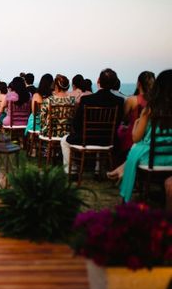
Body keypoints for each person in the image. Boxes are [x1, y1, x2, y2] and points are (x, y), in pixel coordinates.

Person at [108, 70, 172, 202]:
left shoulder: (149, 110)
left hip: (153, 160)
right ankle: (122, 168)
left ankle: (123, 171)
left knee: (137, 146)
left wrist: (137, 123)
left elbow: (135, 138)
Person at [60, 68, 124, 173]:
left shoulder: (87, 100)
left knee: (64, 141)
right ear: (115, 83)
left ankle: (72, 170)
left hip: (87, 139)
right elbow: (118, 122)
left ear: (98, 81)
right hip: (108, 140)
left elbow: (76, 123)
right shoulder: (119, 101)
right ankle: (98, 169)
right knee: (100, 136)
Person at [117, 71, 155, 154]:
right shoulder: (157, 101)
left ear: (138, 84)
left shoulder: (132, 100)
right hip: (151, 136)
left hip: (134, 136)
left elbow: (124, 118)